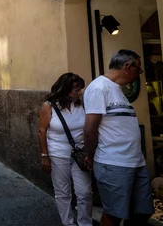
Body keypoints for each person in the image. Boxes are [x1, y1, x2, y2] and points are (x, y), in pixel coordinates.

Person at [84, 49, 154, 226]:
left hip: (136, 161)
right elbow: (90, 130)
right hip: (114, 163)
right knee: (114, 215)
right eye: (138, 69)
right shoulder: (99, 88)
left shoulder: (118, 90)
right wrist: (91, 157)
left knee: (142, 211)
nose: (138, 74)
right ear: (128, 67)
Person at [38, 73, 92, 226]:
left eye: (80, 89)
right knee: (63, 192)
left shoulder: (81, 105)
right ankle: (68, 223)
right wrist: (45, 156)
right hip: (57, 154)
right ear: (65, 89)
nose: (80, 92)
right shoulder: (49, 106)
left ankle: (85, 223)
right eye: (76, 90)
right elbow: (42, 131)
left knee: (85, 192)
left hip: (80, 155)